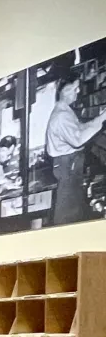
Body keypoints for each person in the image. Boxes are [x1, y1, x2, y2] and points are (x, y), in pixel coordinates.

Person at [44, 76, 106, 226]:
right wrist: (102, 117)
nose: (78, 92)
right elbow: (78, 139)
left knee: (74, 206)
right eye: (75, 89)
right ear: (66, 91)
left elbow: (81, 128)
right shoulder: (61, 116)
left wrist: (99, 118)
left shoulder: (65, 110)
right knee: (67, 212)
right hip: (67, 166)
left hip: (69, 165)